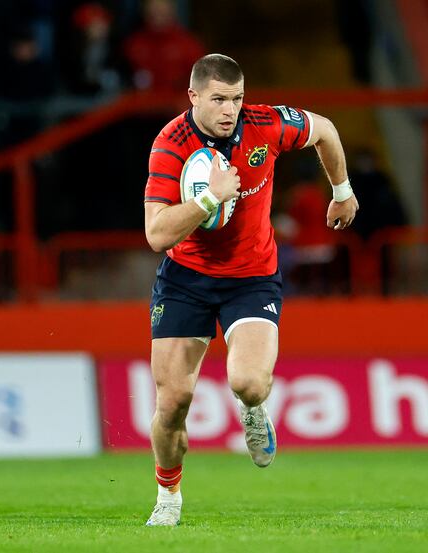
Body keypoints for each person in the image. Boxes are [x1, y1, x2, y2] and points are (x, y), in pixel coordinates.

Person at [142, 54, 358, 526]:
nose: (230, 109)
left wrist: (341, 190)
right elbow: (156, 235)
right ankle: (168, 497)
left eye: (236, 99)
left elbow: (324, 129)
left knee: (249, 383)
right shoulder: (169, 144)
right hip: (185, 280)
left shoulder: (267, 124)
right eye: (218, 99)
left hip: (252, 276)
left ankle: (253, 409)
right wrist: (208, 198)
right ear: (194, 97)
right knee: (172, 402)